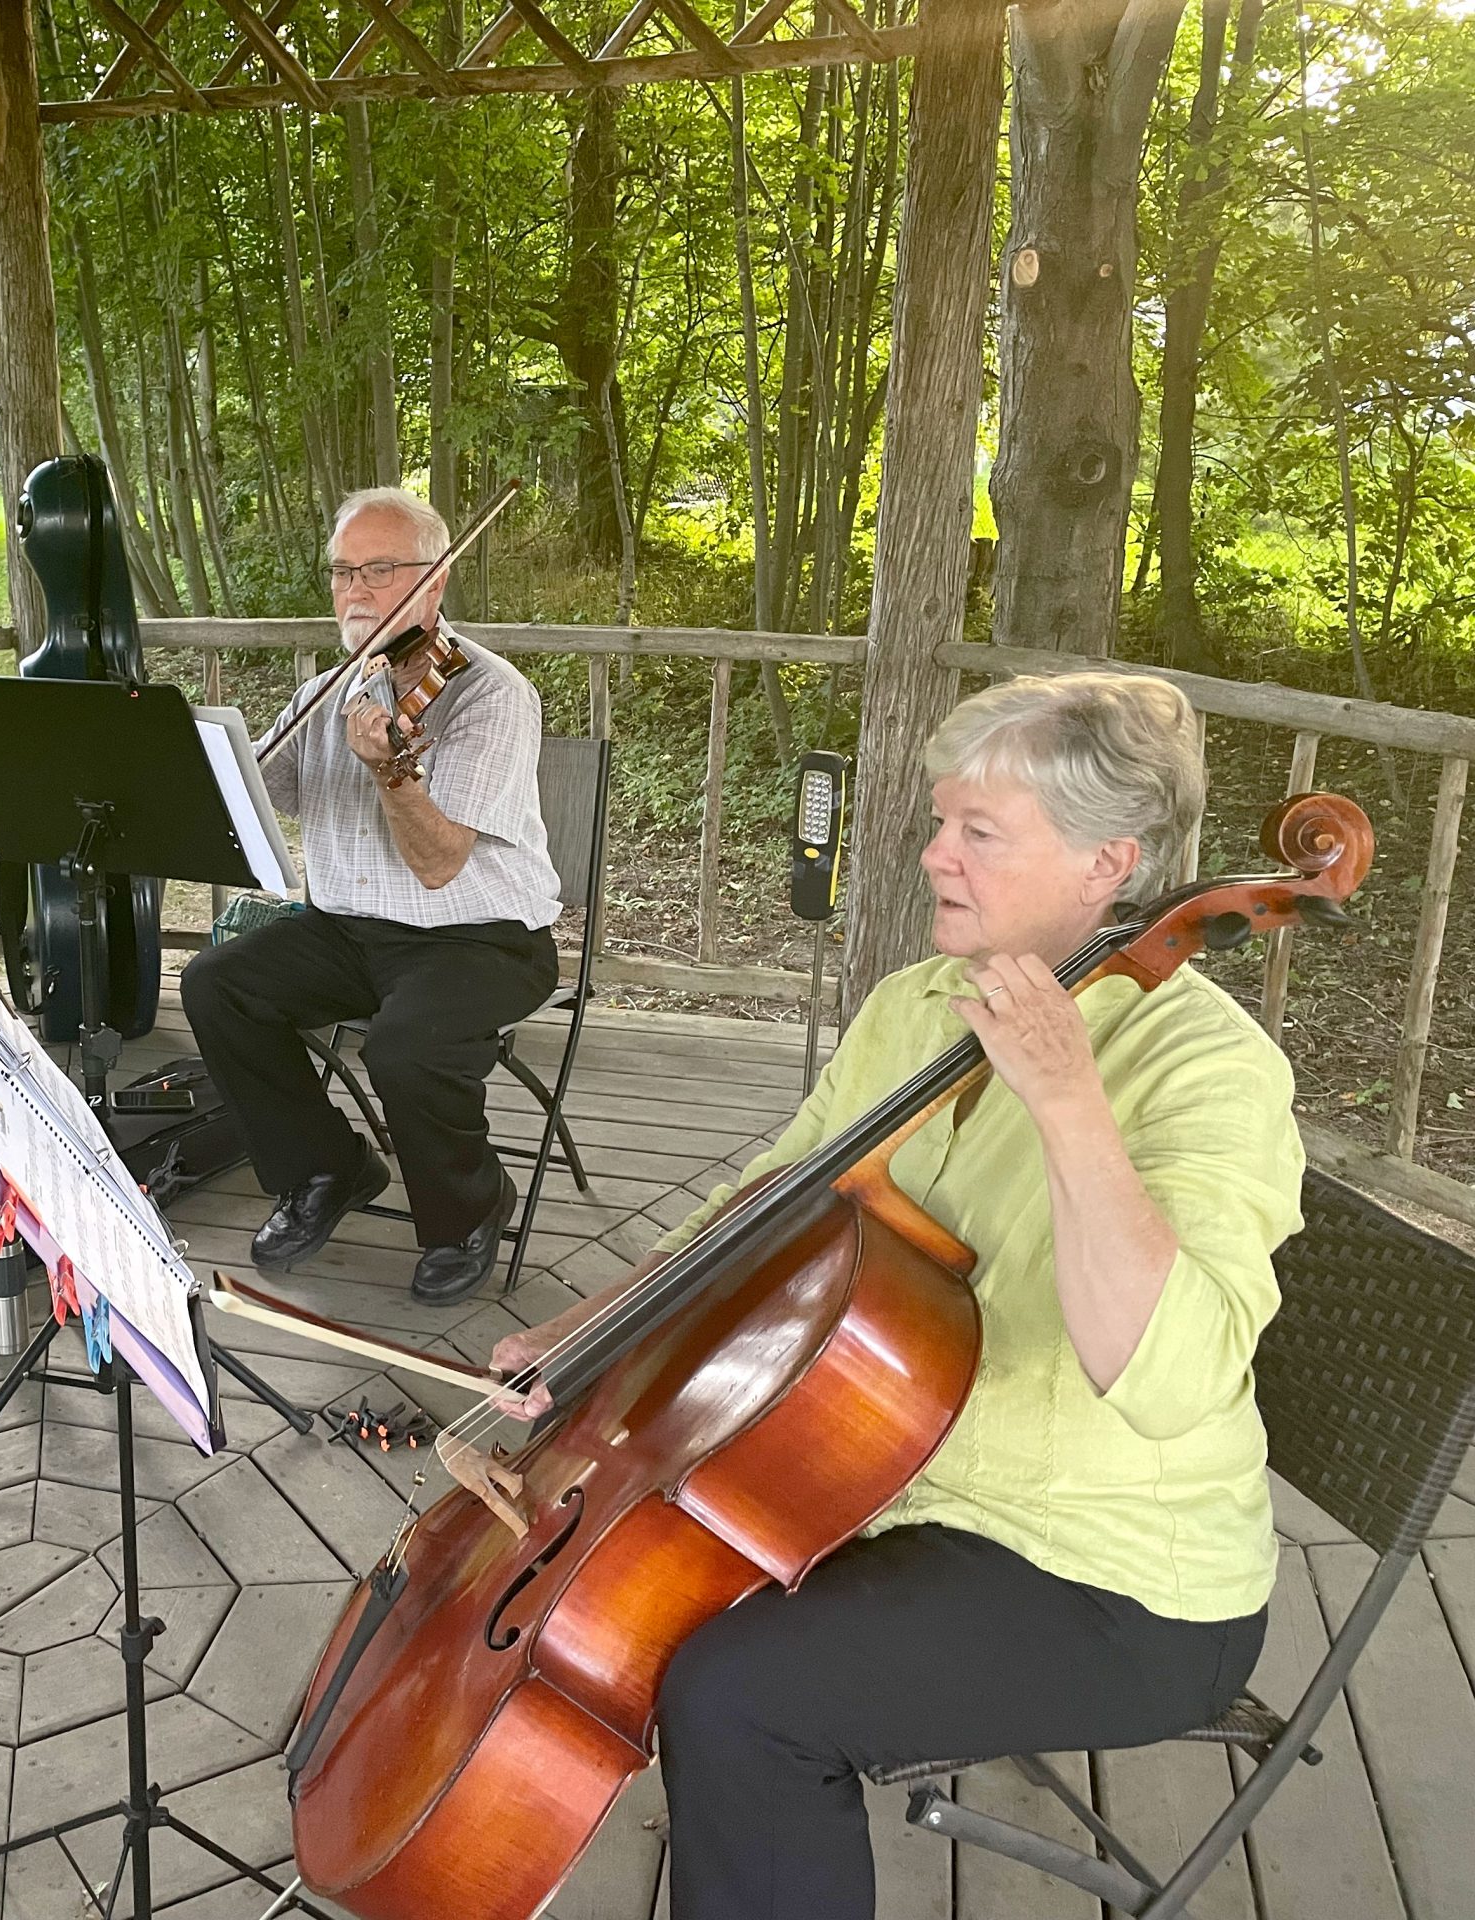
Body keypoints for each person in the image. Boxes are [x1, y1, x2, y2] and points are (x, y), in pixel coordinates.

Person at [491, 671, 1296, 1920]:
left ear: (1108, 863)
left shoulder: (1209, 1068)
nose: (933, 856)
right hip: (888, 1485)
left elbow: (1167, 1375)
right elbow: (761, 1205)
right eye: (939, 822)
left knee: (737, 1693)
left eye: (979, 832)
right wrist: (600, 1324)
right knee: (645, 1603)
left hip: (1111, 1579)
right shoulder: (916, 1006)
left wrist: (1067, 1101)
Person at [181, 487, 562, 1305]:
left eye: (380, 569)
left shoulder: (487, 695)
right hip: (348, 930)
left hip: (478, 935)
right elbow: (257, 791)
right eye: (343, 571)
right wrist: (191, 770)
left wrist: (391, 770)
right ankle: (329, 1166)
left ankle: (469, 1209)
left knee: (404, 1047)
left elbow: (439, 863)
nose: (355, 590)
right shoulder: (331, 689)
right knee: (218, 984)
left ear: (436, 582)